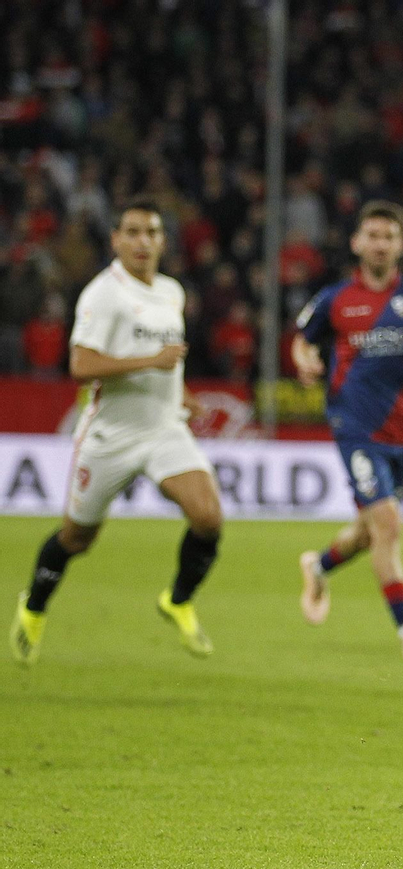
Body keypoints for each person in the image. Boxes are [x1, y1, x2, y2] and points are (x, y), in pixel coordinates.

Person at [10, 197, 222, 665]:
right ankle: (34, 607)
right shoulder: (102, 294)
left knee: (207, 517)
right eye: (132, 232)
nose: (143, 242)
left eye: (151, 232)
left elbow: (168, 364)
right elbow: (81, 365)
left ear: (163, 240)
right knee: (77, 538)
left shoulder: (171, 291)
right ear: (116, 240)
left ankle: (178, 600)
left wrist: (180, 392)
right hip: (111, 436)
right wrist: (153, 362)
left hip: (164, 428)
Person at [292, 201, 403, 661]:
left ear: (401, 244)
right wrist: (305, 361)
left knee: (368, 533)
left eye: (388, 236)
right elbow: (302, 339)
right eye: (372, 235)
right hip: (353, 425)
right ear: (357, 242)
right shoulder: (335, 299)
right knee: (388, 525)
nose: (380, 244)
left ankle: (317, 566)